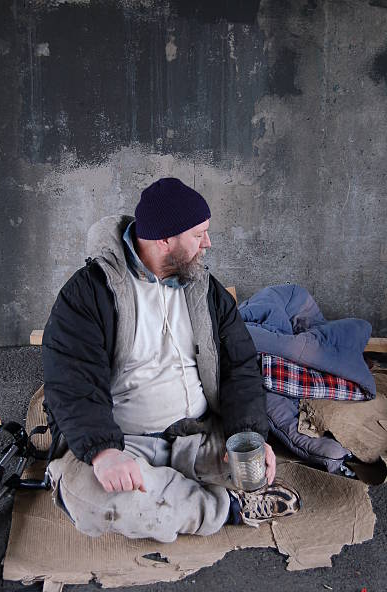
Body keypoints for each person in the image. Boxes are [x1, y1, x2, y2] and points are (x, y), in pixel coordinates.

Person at [43, 177, 300, 542]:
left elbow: (240, 367)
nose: (207, 243)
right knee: (91, 500)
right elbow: (70, 381)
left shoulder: (205, 289)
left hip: (196, 434)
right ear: (164, 239)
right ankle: (227, 508)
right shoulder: (87, 294)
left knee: (254, 468)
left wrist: (247, 435)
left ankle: (192, 490)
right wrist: (103, 452)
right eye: (199, 234)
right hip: (125, 444)